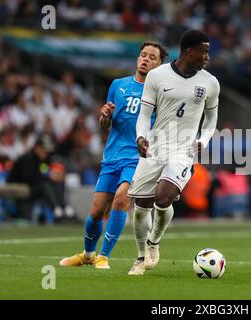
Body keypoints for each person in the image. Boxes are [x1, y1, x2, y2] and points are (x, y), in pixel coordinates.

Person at [59, 41, 168, 269]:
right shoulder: (118, 85)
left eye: (152, 57)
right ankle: (88, 255)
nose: (145, 59)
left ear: (159, 65)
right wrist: (105, 116)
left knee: (121, 200)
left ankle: (103, 256)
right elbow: (104, 125)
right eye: (143, 55)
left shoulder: (160, 94)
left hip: (138, 158)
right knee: (97, 211)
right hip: (112, 157)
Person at [127, 29, 220, 275]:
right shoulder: (157, 76)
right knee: (141, 206)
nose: (207, 57)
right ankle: (140, 257)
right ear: (189, 51)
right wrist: (141, 136)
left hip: (184, 148)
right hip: (156, 145)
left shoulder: (210, 83)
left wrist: (204, 139)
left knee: (163, 197)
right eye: (204, 51)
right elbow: (145, 114)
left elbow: (211, 121)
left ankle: (154, 243)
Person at [7, 136, 74, 221]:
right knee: (45, 185)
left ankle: (64, 207)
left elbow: (46, 172)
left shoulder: (43, 160)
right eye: (44, 150)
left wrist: (54, 177)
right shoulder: (27, 159)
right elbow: (28, 179)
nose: (46, 153)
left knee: (56, 182)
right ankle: (56, 210)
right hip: (22, 187)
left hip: (34, 187)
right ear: (37, 148)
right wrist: (48, 177)